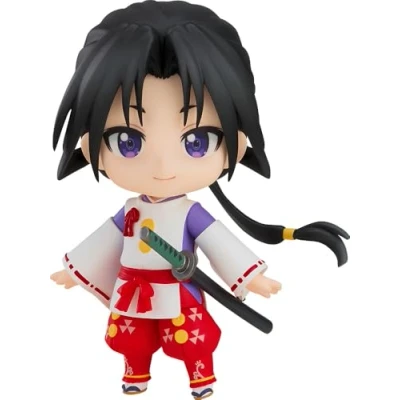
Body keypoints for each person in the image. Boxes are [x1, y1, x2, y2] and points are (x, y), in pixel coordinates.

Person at [50, 1, 349, 399]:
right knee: (131, 337)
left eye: (197, 141)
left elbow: (218, 242)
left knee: (191, 338)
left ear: (237, 142)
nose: (162, 166)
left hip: (179, 290)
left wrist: (249, 276)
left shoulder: (190, 213)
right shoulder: (129, 212)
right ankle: (136, 372)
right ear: (89, 145)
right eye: (127, 141)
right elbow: (103, 241)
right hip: (134, 289)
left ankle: (200, 376)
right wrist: (76, 269)